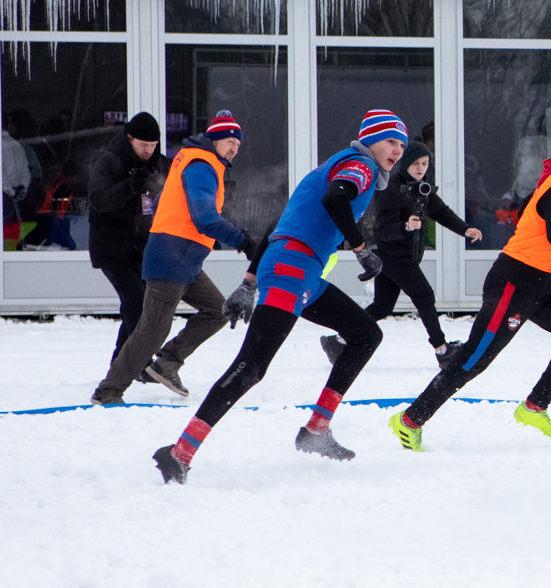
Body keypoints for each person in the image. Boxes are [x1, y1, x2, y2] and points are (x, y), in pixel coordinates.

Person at [152, 110, 404, 482]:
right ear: (368, 140)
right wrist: (362, 247)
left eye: (401, 143)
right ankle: (180, 451)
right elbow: (338, 200)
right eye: (390, 141)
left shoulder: (330, 166)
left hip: (296, 269)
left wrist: (249, 281)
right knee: (251, 366)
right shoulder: (360, 166)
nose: (397, 150)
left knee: (367, 334)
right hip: (293, 268)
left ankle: (317, 430)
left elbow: (277, 224)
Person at [388, 122, 551, 449]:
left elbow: (530, 213)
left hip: (543, 283)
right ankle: (410, 419)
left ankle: (535, 406)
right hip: (517, 281)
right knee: (475, 359)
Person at [93, 112, 249, 405]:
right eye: (229, 142)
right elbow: (206, 219)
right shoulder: (201, 165)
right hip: (171, 257)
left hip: (186, 258)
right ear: (214, 140)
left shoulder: (201, 163)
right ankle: (109, 390)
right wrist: (245, 242)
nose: (234, 149)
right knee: (152, 328)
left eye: (237, 145)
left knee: (217, 310)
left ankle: (167, 362)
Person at [360, 141, 483, 360]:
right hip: (395, 257)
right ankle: (442, 350)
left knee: (382, 306)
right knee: (425, 296)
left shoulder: (421, 187)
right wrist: (405, 226)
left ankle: (341, 339)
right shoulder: (392, 189)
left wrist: (465, 230)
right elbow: (383, 231)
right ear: (405, 163)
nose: (420, 168)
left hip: (400, 257)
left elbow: (442, 213)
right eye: (416, 163)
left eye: (425, 163)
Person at [84, 112, 168, 367]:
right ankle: (141, 362)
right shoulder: (108, 161)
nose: (148, 151)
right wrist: (130, 186)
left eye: (153, 146)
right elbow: (99, 200)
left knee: (138, 304)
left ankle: (120, 364)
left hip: (141, 249)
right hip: (111, 248)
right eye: (143, 145)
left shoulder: (159, 164)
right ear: (129, 138)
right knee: (136, 301)